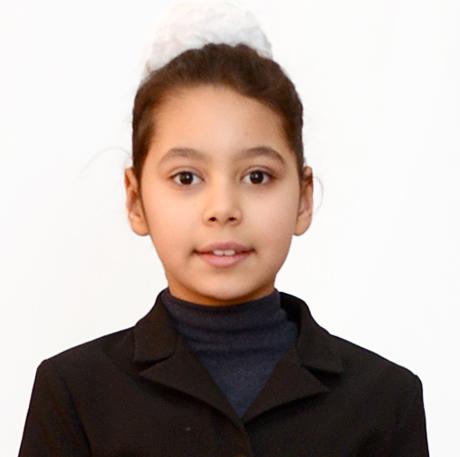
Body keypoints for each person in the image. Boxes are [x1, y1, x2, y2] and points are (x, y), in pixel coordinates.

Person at [18, 1, 430, 456]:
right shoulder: (75, 393)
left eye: (257, 176)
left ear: (303, 198)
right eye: (186, 178)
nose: (223, 209)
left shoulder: (385, 399)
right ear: (135, 200)